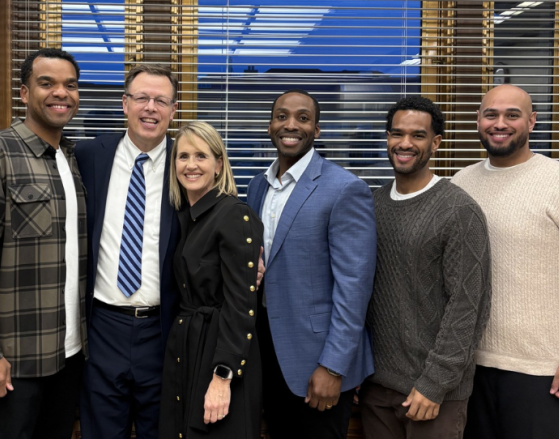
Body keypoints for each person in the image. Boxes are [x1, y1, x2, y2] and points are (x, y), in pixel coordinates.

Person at [0, 48, 87, 439]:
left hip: (70, 356)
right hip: (14, 362)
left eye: (70, 85)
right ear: (24, 93)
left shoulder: (71, 160)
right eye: (47, 83)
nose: (61, 93)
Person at [453, 84, 559, 439]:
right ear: (477, 121)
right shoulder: (461, 183)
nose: (500, 123)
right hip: (471, 369)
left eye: (512, 115)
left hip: (544, 372)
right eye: (491, 114)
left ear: (532, 122)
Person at [246, 89, 377, 438]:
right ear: (270, 125)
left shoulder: (344, 189)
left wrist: (333, 368)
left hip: (318, 361)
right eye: (282, 116)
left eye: (303, 118)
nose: (291, 124)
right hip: (268, 352)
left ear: (317, 130)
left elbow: (354, 287)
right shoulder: (257, 186)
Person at [359, 95, 491, 439]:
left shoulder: (459, 210)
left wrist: (435, 384)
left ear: (436, 143)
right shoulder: (371, 204)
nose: (405, 143)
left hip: (433, 395)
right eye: (396, 133)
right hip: (376, 390)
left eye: (417, 135)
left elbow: (468, 308)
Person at [73, 64, 180, 439]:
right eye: (141, 98)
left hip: (163, 330)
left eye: (161, 100)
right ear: (124, 103)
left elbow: (222, 216)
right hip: (103, 327)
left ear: (173, 109)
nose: (150, 108)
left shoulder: (189, 163)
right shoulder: (87, 156)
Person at [159, 121, 263, 439]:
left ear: (219, 165)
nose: (191, 165)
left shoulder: (233, 214)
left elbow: (240, 303)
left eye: (201, 156)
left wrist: (223, 375)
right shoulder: (183, 217)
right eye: (183, 156)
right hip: (186, 347)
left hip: (221, 352)